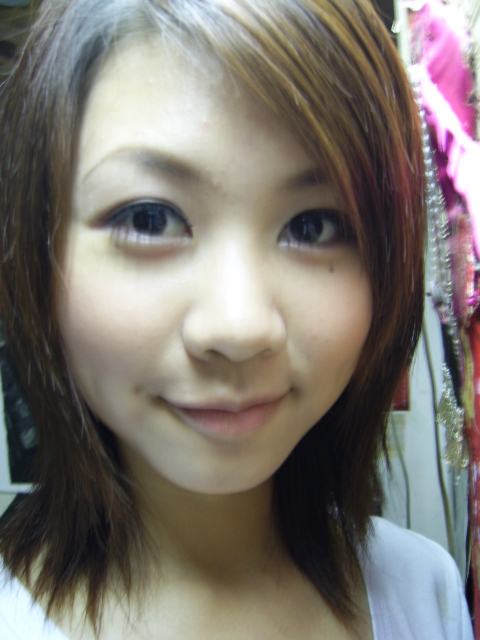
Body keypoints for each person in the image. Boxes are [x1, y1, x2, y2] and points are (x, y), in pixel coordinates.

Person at [0, 0, 473, 638]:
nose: (240, 328)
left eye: (313, 226)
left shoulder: (426, 594)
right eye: (150, 219)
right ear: (38, 250)